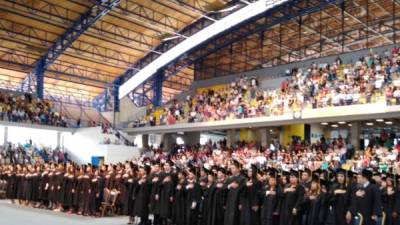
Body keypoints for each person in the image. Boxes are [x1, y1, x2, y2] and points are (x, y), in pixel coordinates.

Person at [224, 160, 245, 225]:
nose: (232, 170)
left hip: (236, 202)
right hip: (229, 201)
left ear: (238, 169)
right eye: (231, 168)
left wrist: (241, 203)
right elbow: (224, 188)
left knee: (235, 218)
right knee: (228, 218)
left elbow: (243, 192)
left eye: (233, 168)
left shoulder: (242, 179)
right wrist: (229, 185)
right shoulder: (229, 178)